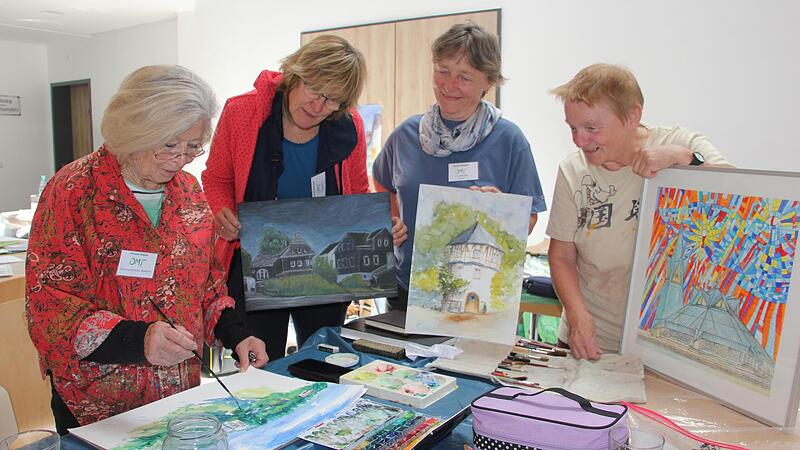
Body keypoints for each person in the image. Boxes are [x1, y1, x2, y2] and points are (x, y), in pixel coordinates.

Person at [25, 65, 268, 434]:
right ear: (134, 129)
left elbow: (206, 286)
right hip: (98, 409)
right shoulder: (74, 191)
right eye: (169, 145)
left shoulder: (188, 191)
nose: (181, 159)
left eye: (192, 147)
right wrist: (139, 341)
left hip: (177, 401)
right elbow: (51, 309)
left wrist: (238, 336)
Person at [203, 35, 407, 362]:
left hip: (323, 270)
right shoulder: (242, 113)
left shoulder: (348, 124)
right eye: (314, 90)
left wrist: (380, 226)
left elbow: (356, 193)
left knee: (324, 359)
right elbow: (216, 178)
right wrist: (222, 212)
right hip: (258, 265)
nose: (318, 106)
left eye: (333, 100)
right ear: (295, 76)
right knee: (261, 360)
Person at [546, 63, 733, 360]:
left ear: (632, 116)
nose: (580, 141)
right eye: (572, 128)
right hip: (591, 340)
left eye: (591, 128)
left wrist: (686, 159)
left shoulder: (681, 143)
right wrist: (578, 316)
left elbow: (740, 195)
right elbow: (561, 255)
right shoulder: (572, 170)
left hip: (668, 346)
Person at [373, 23, 547, 310]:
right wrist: (394, 222)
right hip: (406, 291)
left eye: (464, 77)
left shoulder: (509, 140)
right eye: (442, 71)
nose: (448, 85)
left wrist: (501, 212)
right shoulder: (406, 134)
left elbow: (528, 220)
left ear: (488, 83)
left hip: (479, 295)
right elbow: (382, 184)